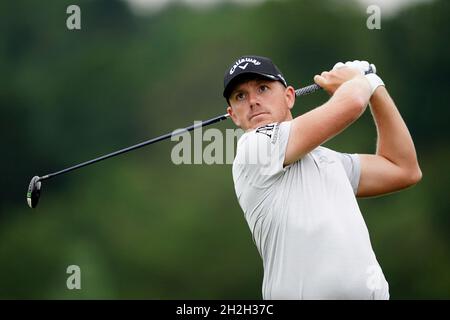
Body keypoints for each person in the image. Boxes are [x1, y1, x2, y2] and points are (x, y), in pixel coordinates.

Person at [223, 55, 422, 300]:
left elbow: (403, 168)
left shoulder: (331, 161)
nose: (253, 101)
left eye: (262, 88)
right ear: (233, 115)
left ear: (289, 96)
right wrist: (359, 81)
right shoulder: (252, 149)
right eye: (240, 96)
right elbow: (351, 105)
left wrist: (375, 86)